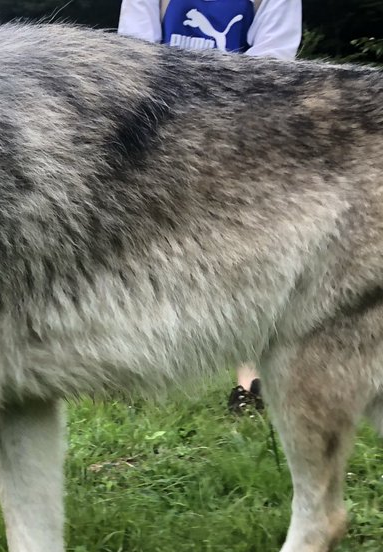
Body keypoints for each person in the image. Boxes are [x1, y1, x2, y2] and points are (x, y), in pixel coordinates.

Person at [117, 0, 302, 413]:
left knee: (254, 257)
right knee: (153, 253)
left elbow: (273, 65)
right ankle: (143, 371)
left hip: (249, 134)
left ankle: (250, 382)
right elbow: (134, 57)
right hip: (166, 134)